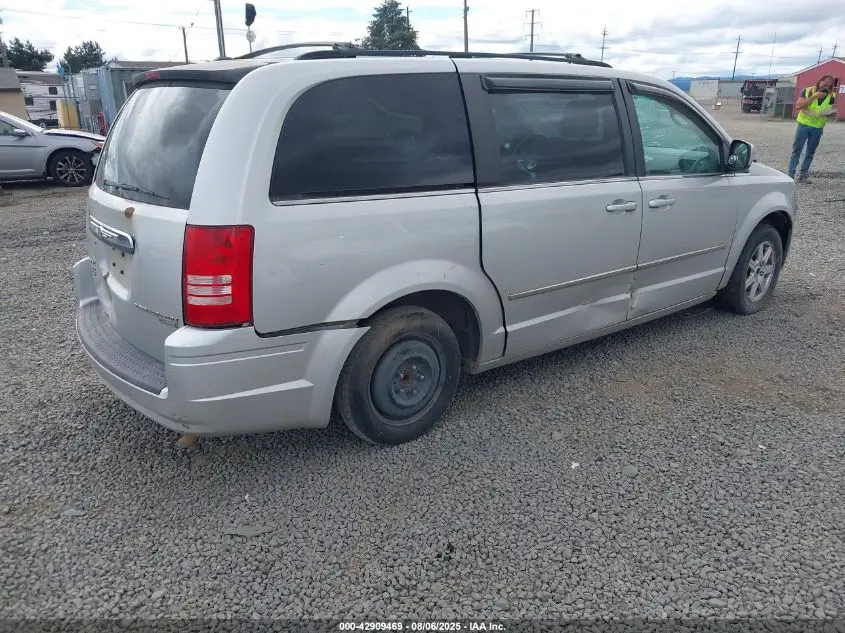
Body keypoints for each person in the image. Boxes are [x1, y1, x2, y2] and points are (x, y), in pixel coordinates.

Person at [788, 74, 837, 183]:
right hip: (804, 125)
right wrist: (814, 96)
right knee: (797, 150)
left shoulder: (832, 96)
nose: (826, 87)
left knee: (810, 152)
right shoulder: (808, 91)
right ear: (820, 81)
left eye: (829, 85)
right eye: (824, 83)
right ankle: (790, 175)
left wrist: (832, 113)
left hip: (818, 128)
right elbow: (798, 106)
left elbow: (832, 110)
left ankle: (803, 175)